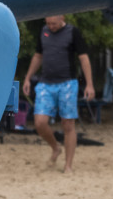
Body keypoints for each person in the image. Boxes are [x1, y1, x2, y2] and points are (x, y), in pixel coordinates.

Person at [22, 15, 95, 173]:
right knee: (40, 122)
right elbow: (37, 56)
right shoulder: (44, 31)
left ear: (62, 17)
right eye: (48, 23)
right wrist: (27, 78)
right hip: (46, 84)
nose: (51, 26)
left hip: (67, 83)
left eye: (54, 24)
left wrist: (89, 84)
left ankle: (68, 165)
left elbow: (84, 59)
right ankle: (55, 147)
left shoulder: (72, 32)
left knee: (68, 124)